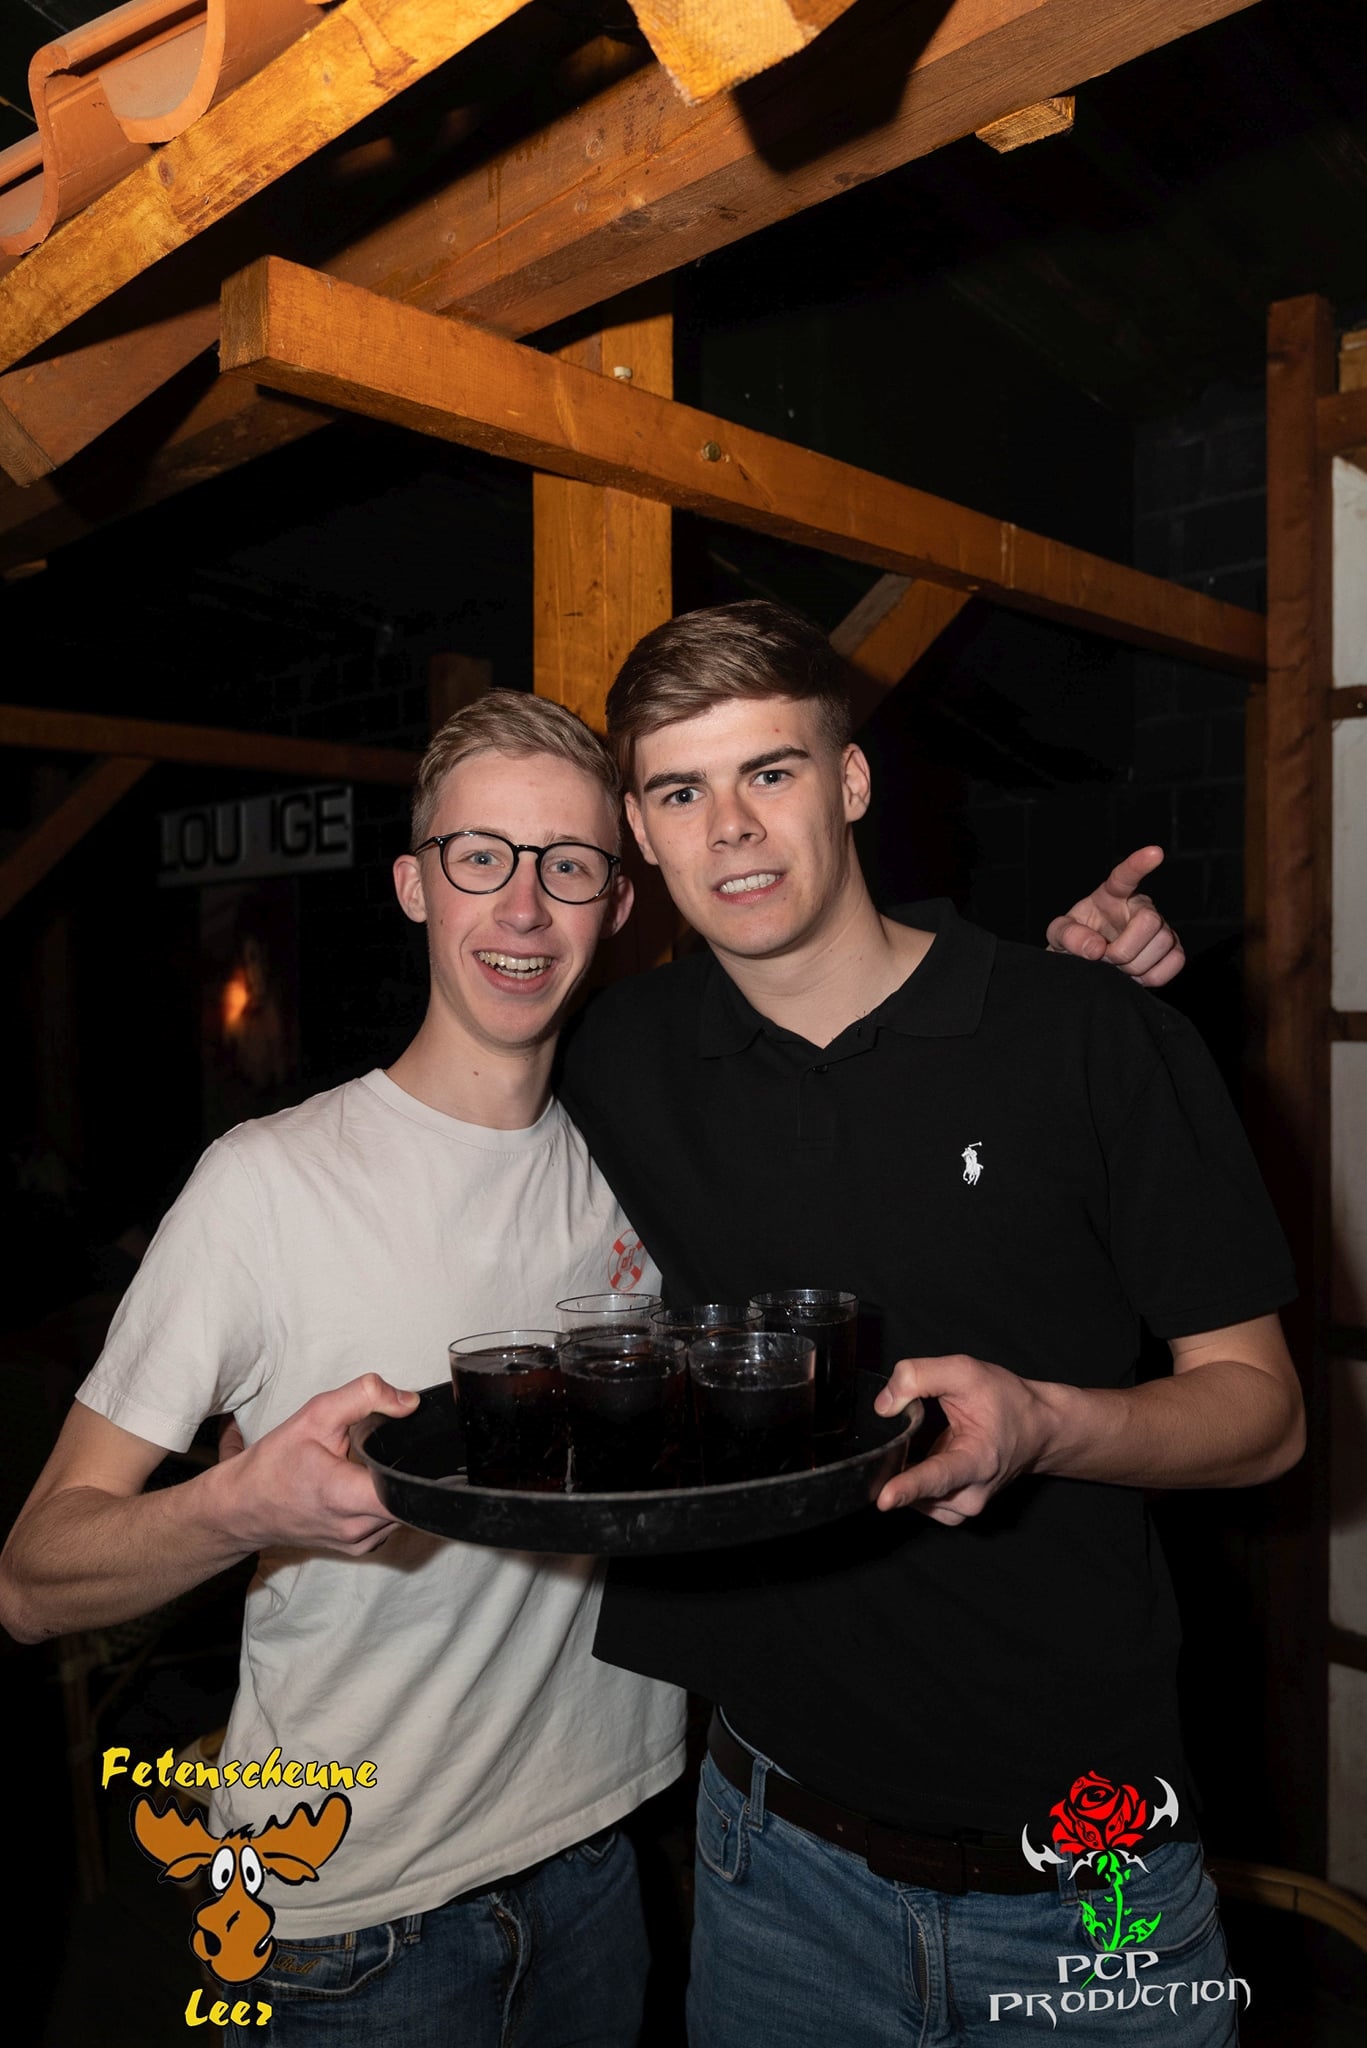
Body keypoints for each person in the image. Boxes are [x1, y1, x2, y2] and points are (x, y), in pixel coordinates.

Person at [557, 599, 1304, 2048]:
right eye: (680, 792)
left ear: (849, 781)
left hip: (1091, 1874)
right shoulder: (620, 1058)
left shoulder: (1086, 1031)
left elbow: (1262, 1411)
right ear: (640, 833)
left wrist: (1044, 1424)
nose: (731, 829)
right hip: (770, 1869)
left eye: (770, 772)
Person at [0, 694, 685, 2048]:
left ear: (617, 906)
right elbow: (31, 1578)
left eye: (568, 865)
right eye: (481, 856)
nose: (524, 905)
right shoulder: (266, 1186)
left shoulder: (645, 1167)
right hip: (351, 1922)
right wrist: (242, 1503)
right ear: (415, 885)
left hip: (600, 1860)